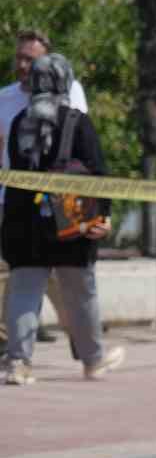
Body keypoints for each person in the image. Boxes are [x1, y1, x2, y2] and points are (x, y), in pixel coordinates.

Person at [3, 53, 125, 384]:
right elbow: (97, 174)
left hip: (24, 223)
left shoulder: (18, 123)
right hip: (72, 222)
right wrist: (105, 216)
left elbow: (17, 174)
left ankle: (18, 363)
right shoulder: (76, 121)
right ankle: (92, 360)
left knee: (24, 291)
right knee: (80, 292)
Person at [0, 29, 90, 350]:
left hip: (59, 204)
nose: (24, 65)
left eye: (31, 59)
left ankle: (84, 343)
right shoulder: (5, 99)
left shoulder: (70, 91)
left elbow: (79, 138)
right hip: (13, 202)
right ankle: (14, 352)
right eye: (20, 57)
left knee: (61, 281)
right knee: (14, 275)